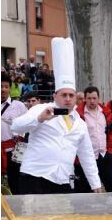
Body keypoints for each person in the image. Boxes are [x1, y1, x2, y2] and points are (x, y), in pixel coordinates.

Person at [11, 37, 104, 194]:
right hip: (35, 177)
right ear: (55, 96)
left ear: (76, 98)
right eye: (64, 95)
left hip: (63, 180)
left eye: (71, 95)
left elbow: (87, 155)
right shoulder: (42, 109)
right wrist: (39, 119)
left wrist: (96, 184)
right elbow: (16, 126)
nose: (67, 99)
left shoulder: (80, 124)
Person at [74, 86, 109, 192]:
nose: (92, 101)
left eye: (94, 98)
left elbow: (109, 132)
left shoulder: (105, 112)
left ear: (98, 98)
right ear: (85, 99)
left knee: (110, 184)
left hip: (103, 154)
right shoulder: (78, 114)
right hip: (86, 157)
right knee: (85, 187)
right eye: (89, 98)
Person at [1, 72, 28, 194]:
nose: (3, 89)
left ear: (10, 88)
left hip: (13, 152)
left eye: (6, 86)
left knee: (15, 184)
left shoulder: (19, 106)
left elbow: (28, 127)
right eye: (0, 86)